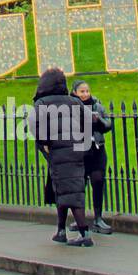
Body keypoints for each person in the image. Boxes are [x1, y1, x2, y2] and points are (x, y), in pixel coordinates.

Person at [33, 68, 92, 246]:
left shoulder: (42, 103)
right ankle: (60, 230)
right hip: (76, 149)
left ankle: (85, 234)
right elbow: (87, 122)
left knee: (69, 191)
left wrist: (46, 144)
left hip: (57, 151)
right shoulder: (74, 102)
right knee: (63, 189)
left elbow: (38, 130)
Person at [73, 79, 113, 234]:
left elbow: (108, 125)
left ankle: (98, 218)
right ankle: (80, 220)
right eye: (82, 91)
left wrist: (99, 121)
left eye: (87, 91)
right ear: (75, 93)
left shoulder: (98, 106)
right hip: (80, 150)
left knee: (97, 181)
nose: (85, 94)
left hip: (97, 150)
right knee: (79, 186)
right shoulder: (71, 108)